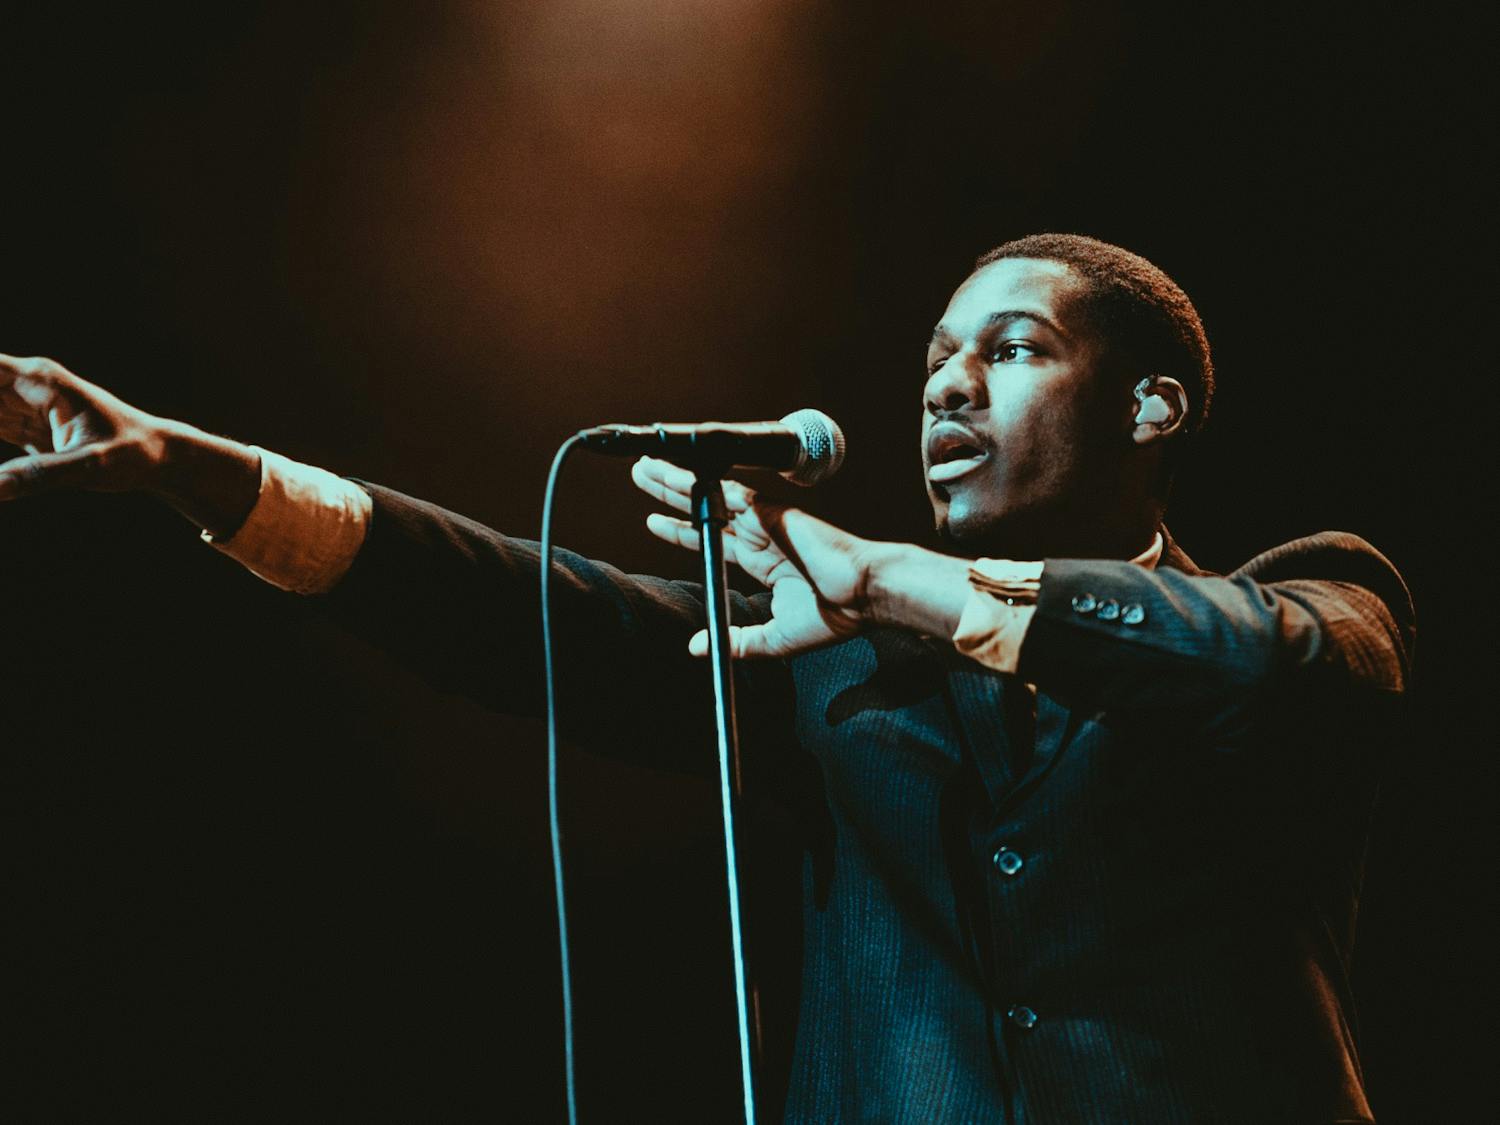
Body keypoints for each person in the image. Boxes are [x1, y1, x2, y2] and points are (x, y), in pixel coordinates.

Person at [0, 234, 1413, 1123]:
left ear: (1150, 406)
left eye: (1014, 349)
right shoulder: (831, 656)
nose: (945, 387)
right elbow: (520, 608)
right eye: (933, 360)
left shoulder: (1304, 593)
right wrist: (200, 474)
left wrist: (899, 578)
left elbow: (1266, 667)